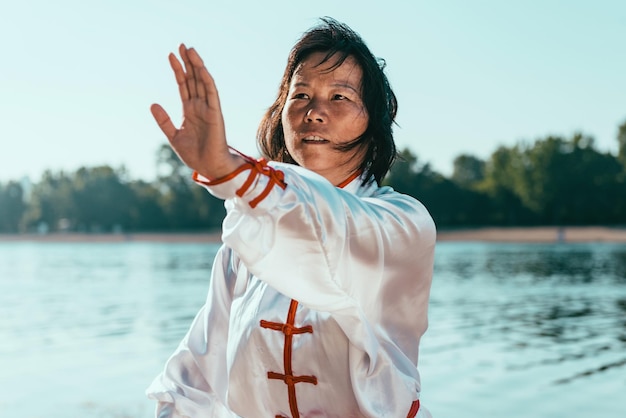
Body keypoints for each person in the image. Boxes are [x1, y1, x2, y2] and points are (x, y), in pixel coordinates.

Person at [146, 17, 436, 418]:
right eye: (300, 95)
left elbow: (329, 226)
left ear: (373, 120)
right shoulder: (243, 244)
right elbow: (193, 382)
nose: (314, 112)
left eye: (340, 97)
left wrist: (228, 169)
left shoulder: (403, 225)